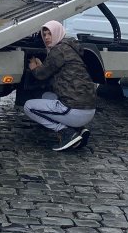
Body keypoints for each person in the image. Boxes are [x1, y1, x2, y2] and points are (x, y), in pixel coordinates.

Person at [23, 20, 97, 151]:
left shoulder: (58, 50)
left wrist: (34, 68)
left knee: (29, 107)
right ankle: (78, 129)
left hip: (75, 110)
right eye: (44, 34)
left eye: (49, 34)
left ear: (57, 33)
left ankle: (66, 132)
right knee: (47, 95)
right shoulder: (69, 48)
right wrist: (42, 66)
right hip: (89, 110)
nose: (46, 38)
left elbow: (41, 75)